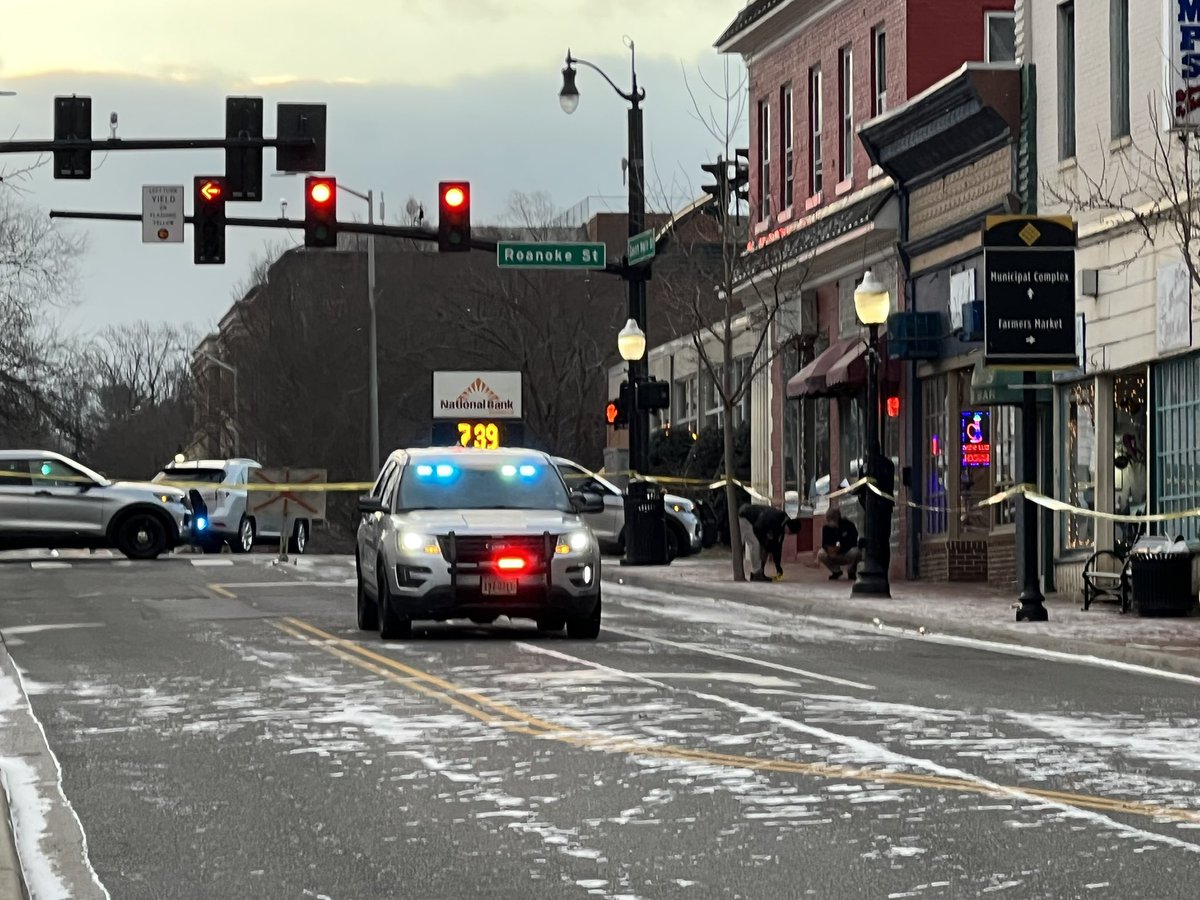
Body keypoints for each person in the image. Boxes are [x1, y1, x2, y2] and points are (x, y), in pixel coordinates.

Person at [738, 502, 792, 582]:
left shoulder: (781, 527)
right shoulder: (775, 517)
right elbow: (757, 527)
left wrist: (778, 566)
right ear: (787, 527)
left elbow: (777, 547)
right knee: (755, 544)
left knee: (764, 547)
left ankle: (759, 572)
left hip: (755, 520)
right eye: (789, 532)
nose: (788, 534)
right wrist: (763, 542)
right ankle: (756, 573)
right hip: (745, 516)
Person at [817, 506, 861, 580]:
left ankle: (851, 571)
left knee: (856, 552)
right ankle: (836, 571)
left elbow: (853, 542)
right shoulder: (826, 528)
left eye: (830, 519)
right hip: (833, 555)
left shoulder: (849, 525)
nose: (829, 522)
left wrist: (840, 548)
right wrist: (829, 549)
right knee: (820, 553)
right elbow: (824, 543)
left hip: (846, 554)